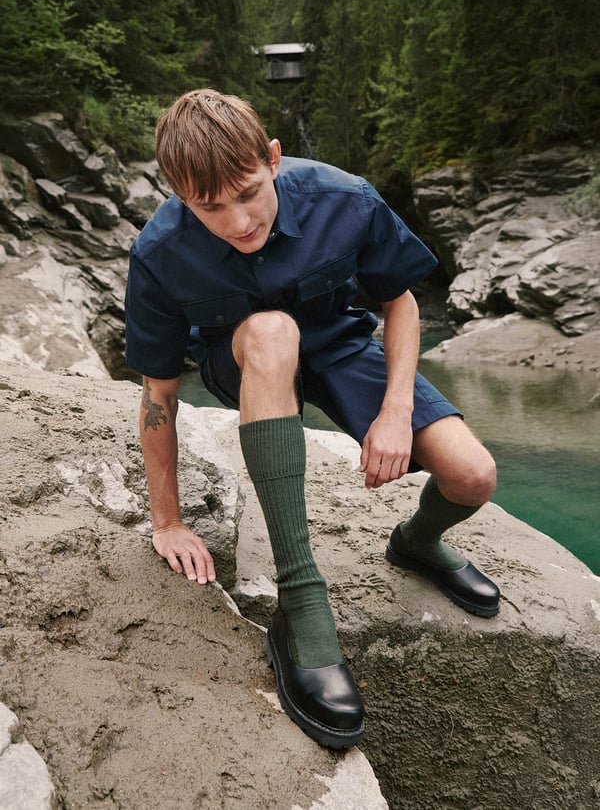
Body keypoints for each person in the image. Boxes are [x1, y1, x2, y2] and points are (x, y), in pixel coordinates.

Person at [125, 88, 499, 750]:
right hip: (247, 357)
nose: (239, 221)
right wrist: (168, 521)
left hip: (341, 343)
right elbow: (159, 394)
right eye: (210, 208)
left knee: (473, 476)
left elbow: (400, 300)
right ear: (180, 195)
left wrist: (396, 411)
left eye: (249, 193)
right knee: (273, 331)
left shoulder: (344, 197)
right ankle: (300, 604)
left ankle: (415, 544)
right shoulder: (159, 253)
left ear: (273, 158)